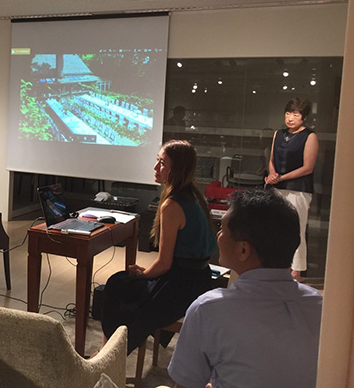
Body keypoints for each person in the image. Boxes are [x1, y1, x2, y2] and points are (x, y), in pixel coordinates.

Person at [168, 189, 323, 388]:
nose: (218, 235)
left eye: (223, 229)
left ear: (243, 250)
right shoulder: (319, 306)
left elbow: (186, 384)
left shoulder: (208, 309)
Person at [100, 140, 217, 354]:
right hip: (201, 280)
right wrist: (146, 275)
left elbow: (164, 263)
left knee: (117, 285)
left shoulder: (172, 205)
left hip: (180, 286)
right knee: (124, 285)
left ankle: (110, 352)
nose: (155, 167)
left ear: (177, 169)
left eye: (162, 163)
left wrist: (143, 275)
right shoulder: (196, 197)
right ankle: (111, 349)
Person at [265, 97, 318, 281]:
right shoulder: (278, 134)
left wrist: (281, 177)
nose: (290, 118)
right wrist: (273, 175)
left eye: (295, 114)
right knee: (276, 228)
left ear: (304, 117)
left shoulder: (309, 136)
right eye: (288, 113)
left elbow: (308, 167)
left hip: (298, 189)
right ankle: (279, 267)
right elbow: (272, 159)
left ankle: (296, 272)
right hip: (277, 188)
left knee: (297, 229)